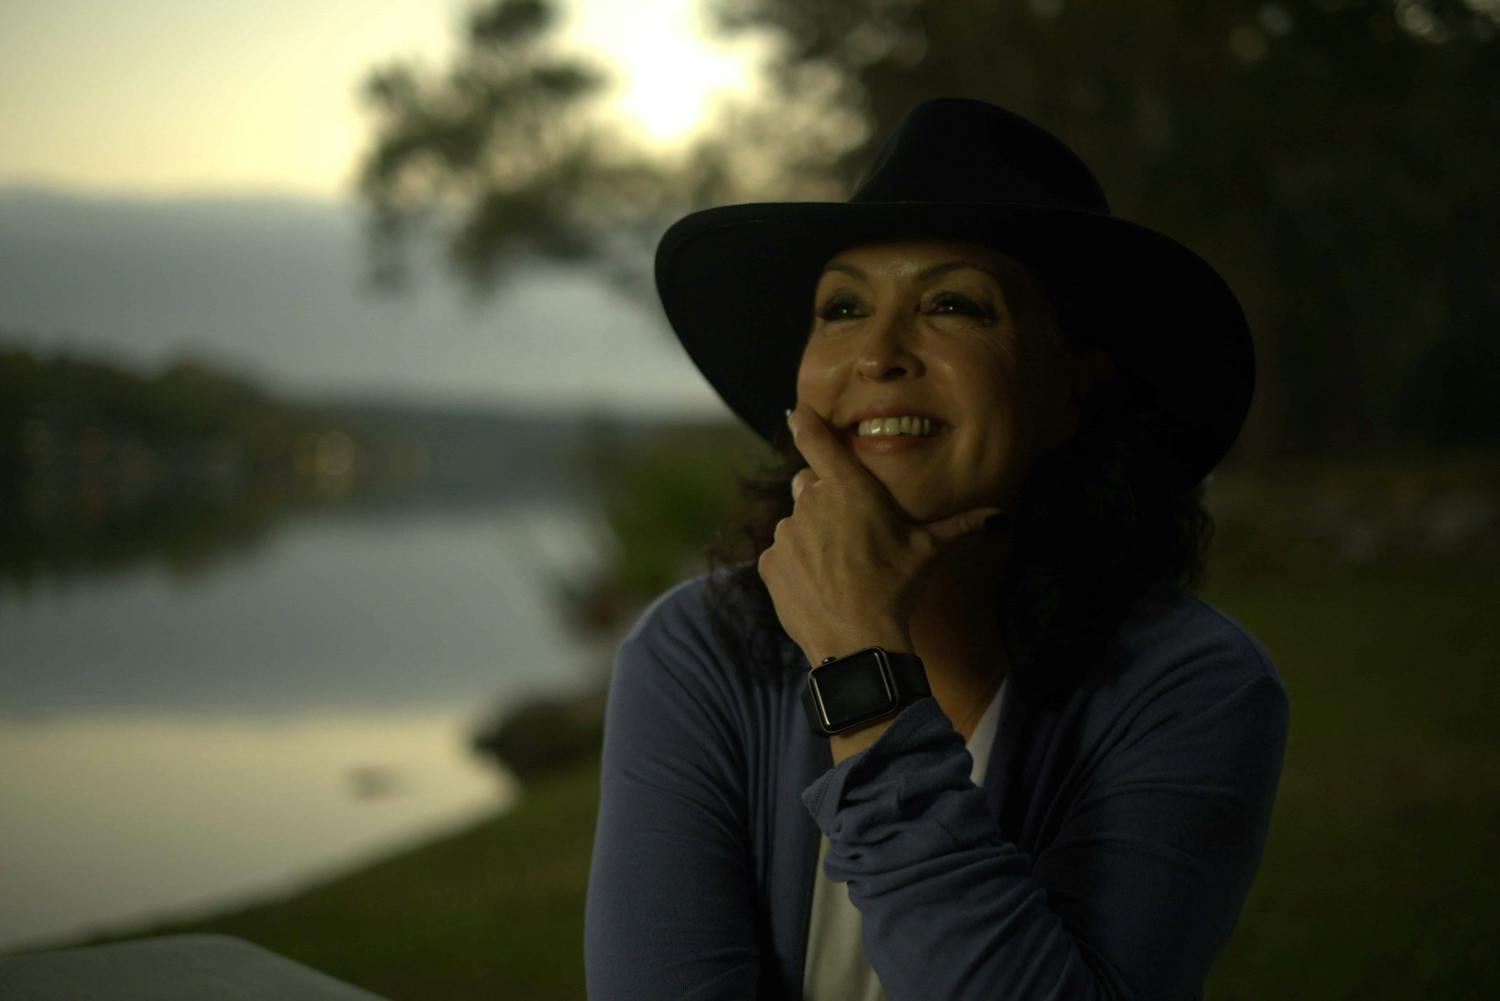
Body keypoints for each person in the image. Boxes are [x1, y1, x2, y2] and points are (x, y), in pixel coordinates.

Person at [585, 98, 1289, 1001]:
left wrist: (859, 667)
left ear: (1073, 386)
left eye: (953, 304)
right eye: (841, 307)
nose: (876, 354)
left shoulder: (1191, 688)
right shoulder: (698, 651)